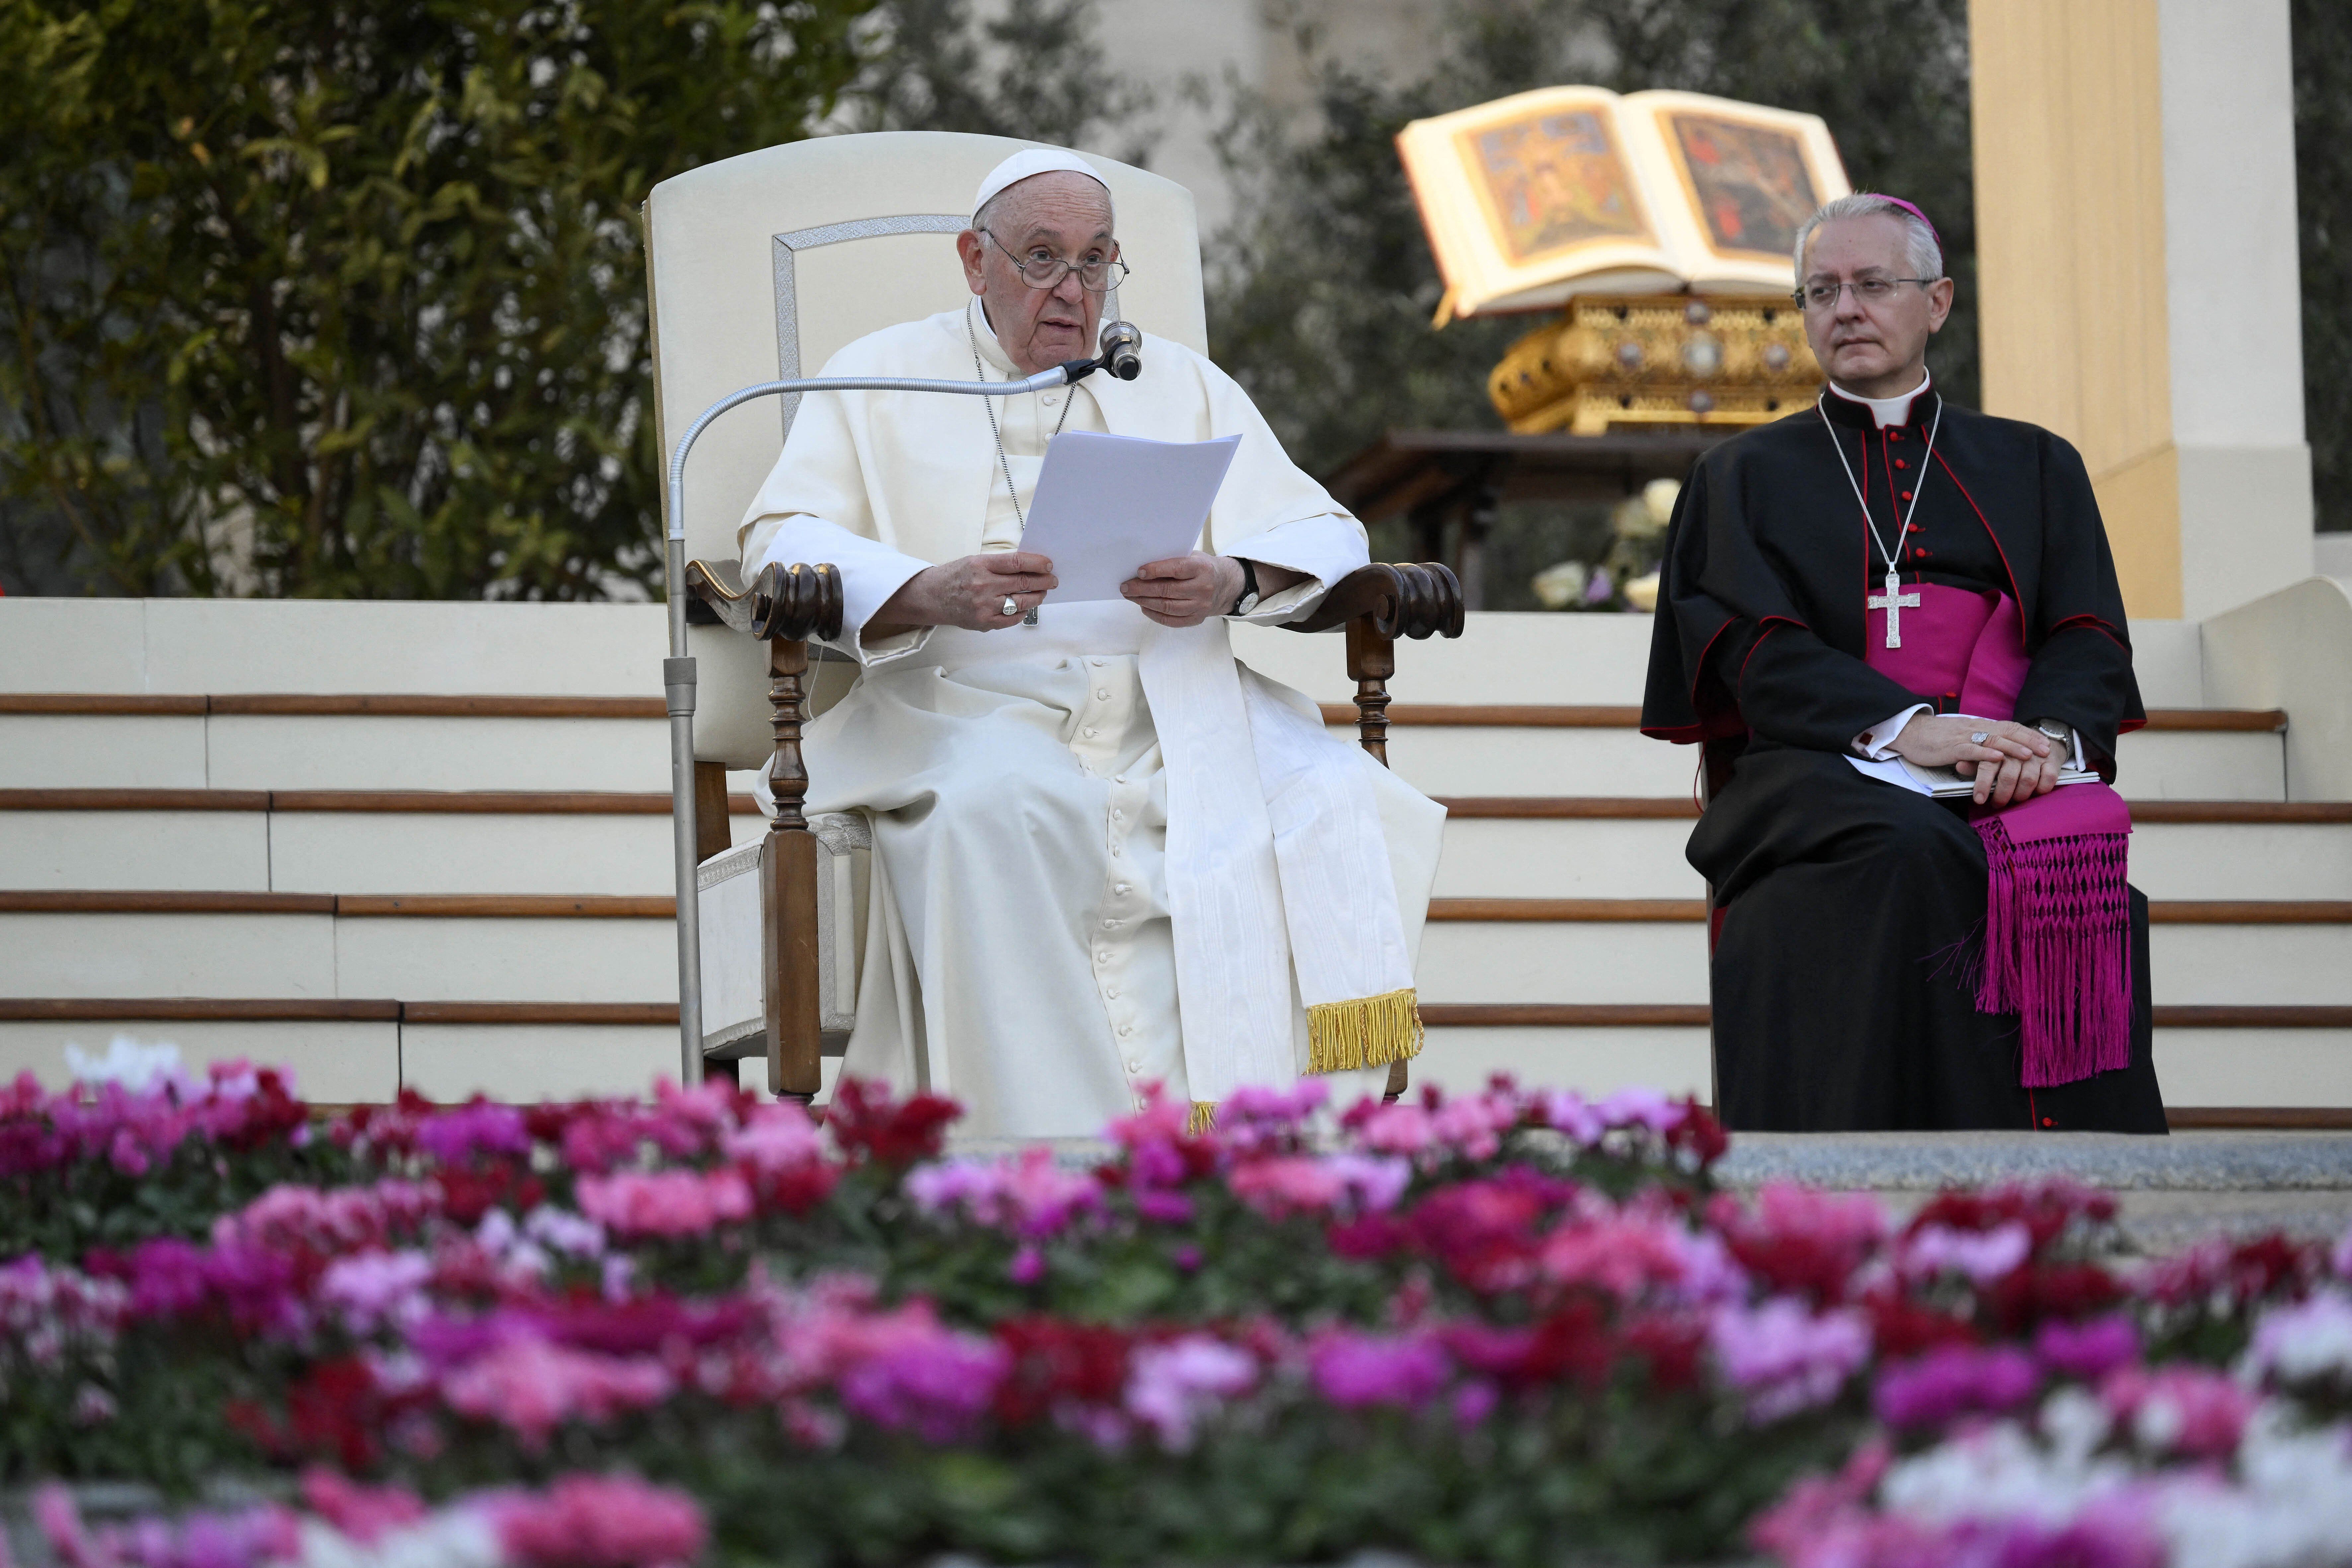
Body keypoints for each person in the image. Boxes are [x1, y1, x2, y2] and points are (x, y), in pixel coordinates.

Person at [737, 147, 1444, 1138]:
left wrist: (1230, 580)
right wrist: (927, 588)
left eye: (1095, 260)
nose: (1073, 291)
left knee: (1325, 796)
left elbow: (1324, 532)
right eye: (1041, 258)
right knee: (997, 807)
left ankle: (1268, 1161)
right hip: (965, 706)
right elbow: (784, 542)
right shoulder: (879, 375)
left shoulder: (1176, 380)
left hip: (1172, 712)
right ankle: (1043, 1156)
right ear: (974, 262)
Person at [1641, 192, 2167, 1134]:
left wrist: (2036, 744)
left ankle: (2074, 1175)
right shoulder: (1741, 476)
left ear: (1938, 302)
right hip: (1815, 766)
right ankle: (1914, 1154)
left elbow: (2087, 631)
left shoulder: (2038, 464)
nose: (1845, 309)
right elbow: (1751, 649)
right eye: (1821, 291)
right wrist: (1908, 730)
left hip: (2007, 755)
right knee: (1907, 849)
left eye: (1873, 284)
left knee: (2092, 881)